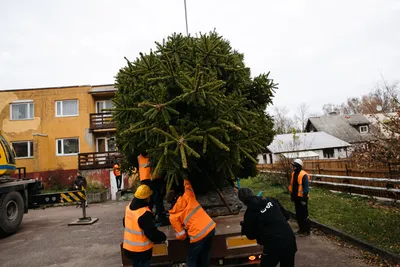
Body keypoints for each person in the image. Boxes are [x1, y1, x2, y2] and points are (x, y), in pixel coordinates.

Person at [238, 187, 297, 267]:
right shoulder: (271, 200)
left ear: (241, 200)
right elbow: (286, 216)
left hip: (273, 246)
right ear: (253, 193)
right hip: (289, 240)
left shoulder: (249, 214)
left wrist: (246, 226)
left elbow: (250, 235)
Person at [166, 179, 216, 267]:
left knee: (191, 258)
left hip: (198, 235)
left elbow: (181, 235)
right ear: (178, 196)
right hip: (210, 228)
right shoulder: (188, 196)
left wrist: (181, 236)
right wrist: (185, 178)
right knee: (205, 255)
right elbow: (188, 187)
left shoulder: (173, 216)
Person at [122, 184, 167, 267]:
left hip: (129, 249)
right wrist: (163, 237)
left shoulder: (128, 208)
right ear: (146, 198)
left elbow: (125, 223)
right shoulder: (144, 214)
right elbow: (152, 234)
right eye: (149, 196)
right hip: (142, 252)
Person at [137, 152, 167, 224]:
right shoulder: (152, 154)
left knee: (150, 199)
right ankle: (160, 217)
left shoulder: (139, 157)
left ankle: (149, 217)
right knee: (156, 198)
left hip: (144, 179)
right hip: (152, 178)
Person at [289, 158, 311, 236]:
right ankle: (301, 229)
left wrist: (304, 199)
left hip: (302, 198)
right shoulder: (293, 173)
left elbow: (306, 189)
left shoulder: (303, 174)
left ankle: (307, 231)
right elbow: (292, 185)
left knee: (304, 215)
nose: (293, 167)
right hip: (296, 197)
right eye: (293, 166)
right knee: (298, 215)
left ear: (298, 166)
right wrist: (292, 195)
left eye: (294, 166)